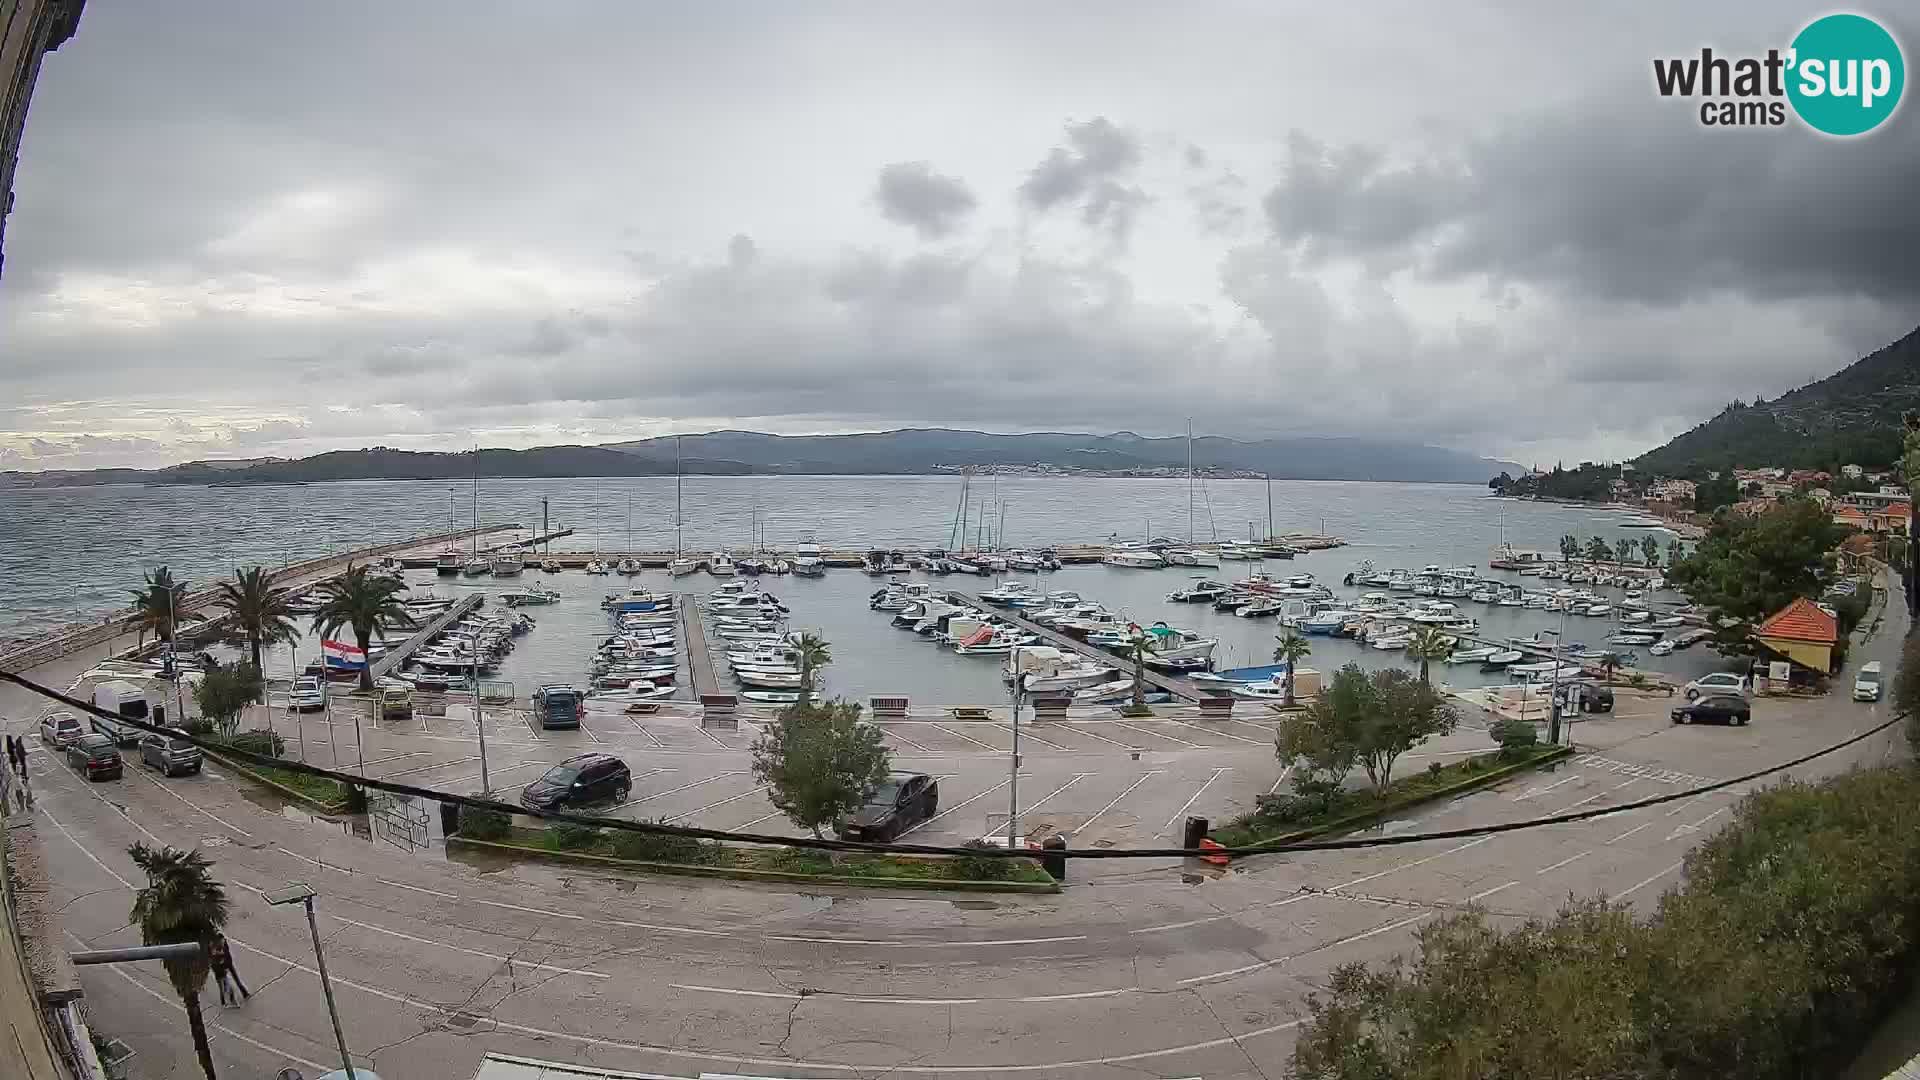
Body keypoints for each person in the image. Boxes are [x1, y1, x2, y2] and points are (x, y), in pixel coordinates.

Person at [209, 933, 250, 1005]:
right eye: (222, 941)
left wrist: (221, 954)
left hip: (228, 963)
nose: (223, 941)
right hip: (220, 968)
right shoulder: (213, 947)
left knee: (236, 979)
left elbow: (227, 953)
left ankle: (244, 993)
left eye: (223, 940)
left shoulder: (223, 944)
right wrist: (219, 955)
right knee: (223, 985)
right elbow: (213, 959)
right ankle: (225, 1000)